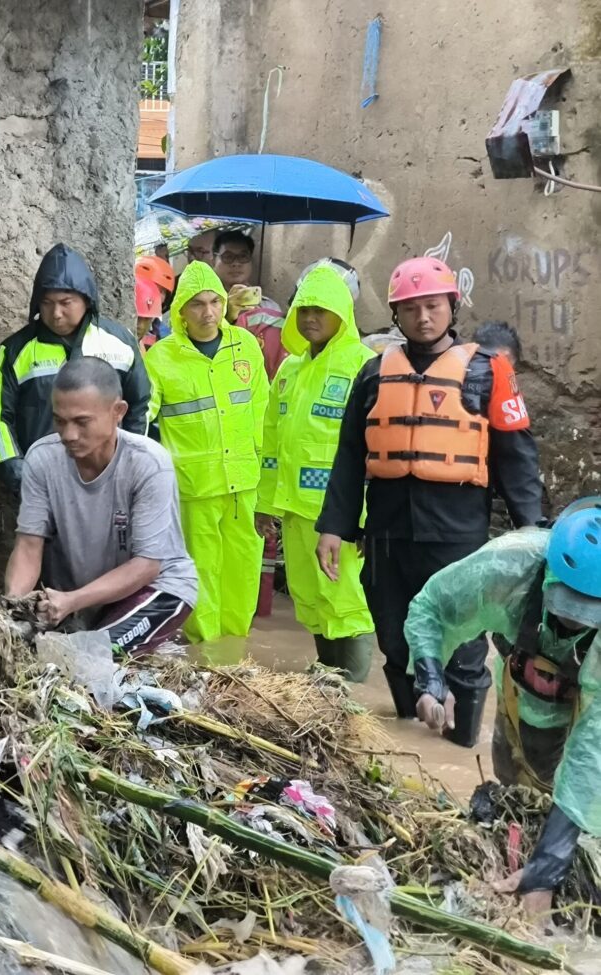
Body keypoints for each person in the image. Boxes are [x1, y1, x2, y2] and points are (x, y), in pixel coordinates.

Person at [315, 256, 544, 743]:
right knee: (395, 638)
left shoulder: (488, 373)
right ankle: (410, 734)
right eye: (411, 308)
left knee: (462, 645)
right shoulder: (374, 374)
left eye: (433, 306)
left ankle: (461, 742)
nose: (423, 317)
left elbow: (518, 459)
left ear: (451, 307)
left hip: (457, 531)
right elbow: (350, 456)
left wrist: (531, 534)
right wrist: (334, 526)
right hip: (387, 530)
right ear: (397, 315)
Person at [404, 499, 601, 915]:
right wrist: (431, 679)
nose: (572, 622)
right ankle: (514, 854)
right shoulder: (509, 565)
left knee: (585, 817)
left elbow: (592, 755)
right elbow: (433, 607)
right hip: (523, 677)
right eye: (564, 608)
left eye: (585, 617)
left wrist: (549, 869)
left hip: (590, 697)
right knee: (515, 788)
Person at [4, 358, 197, 655]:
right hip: (83, 594)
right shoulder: (42, 459)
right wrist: (11, 610)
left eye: (82, 422)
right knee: (21, 651)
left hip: (158, 588)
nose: (68, 434)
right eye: (59, 420)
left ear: (117, 412)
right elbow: (29, 545)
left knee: (87, 656)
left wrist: (71, 601)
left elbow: (147, 566)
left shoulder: (148, 463)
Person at [257, 265, 375, 681]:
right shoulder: (289, 370)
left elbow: (374, 448)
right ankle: (328, 690)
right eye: (303, 309)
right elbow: (272, 441)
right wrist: (264, 504)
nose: (310, 318)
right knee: (310, 600)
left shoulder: (364, 366)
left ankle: (353, 695)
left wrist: (366, 519)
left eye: (321, 310)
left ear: (342, 312)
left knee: (346, 602)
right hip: (294, 509)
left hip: (341, 516)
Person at [144, 260, 269, 643]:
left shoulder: (245, 345)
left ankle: (236, 648)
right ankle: (206, 653)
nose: (208, 312)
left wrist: (268, 479)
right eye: (197, 303)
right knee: (200, 569)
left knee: (244, 566)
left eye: (215, 301)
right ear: (181, 309)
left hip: (244, 482)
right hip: (194, 488)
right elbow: (143, 419)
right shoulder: (161, 358)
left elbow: (262, 411)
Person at [0, 244, 152, 495]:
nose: (56, 313)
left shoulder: (119, 342)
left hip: (109, 482)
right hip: (44, 485)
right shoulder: (15, 351)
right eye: (47, 303)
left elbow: (141, 403)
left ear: (86, 298)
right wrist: (16, 470)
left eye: (65, 302)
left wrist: (130, 461)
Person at [213, 230, 286, 378]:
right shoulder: (207, 304)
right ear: (213, 259)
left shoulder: (270, 307)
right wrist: (227, 316)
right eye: (228, 257)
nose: (236, 263)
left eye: (243, 256)